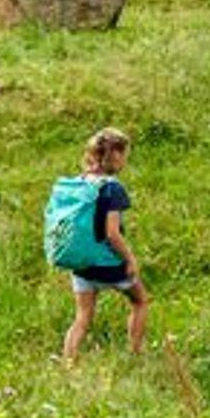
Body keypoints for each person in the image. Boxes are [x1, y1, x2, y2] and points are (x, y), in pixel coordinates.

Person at [57, 127, 149, 360]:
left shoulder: (80, 182)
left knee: (82, 317)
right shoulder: (111, 188)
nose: (125, 160)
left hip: (82, 263)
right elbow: (112, 233)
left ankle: (68, 363)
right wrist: (130, 259)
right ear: (115, 155)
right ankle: (135, 353)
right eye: (124, 154)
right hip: (108, 263)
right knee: (140, 301)